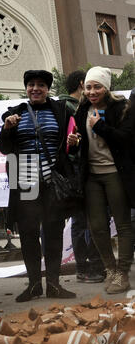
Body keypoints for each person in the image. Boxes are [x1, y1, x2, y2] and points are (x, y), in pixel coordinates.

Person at [0, 69, 76, 302]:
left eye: (41, 85)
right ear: (26, 88)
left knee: (53, 233)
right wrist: (7, 128)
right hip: (26, 181)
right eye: (31, 84)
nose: (35, 89)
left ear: (48, 89)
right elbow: (4, 148)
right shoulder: (14, 114)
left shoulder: (61, 110)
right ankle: (34, 285)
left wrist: (75, 142)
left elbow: (72, 144)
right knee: (29, 234)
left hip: (53, 182)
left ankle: (53, 284)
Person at [68, 66, 135, 294]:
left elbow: (125, 138)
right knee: (96, 226)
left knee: (123, 223)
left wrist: (101, 127)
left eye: (97, 86)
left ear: (106, 88)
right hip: (92, 176)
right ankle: (111, 269)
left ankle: (123, 272)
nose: (92, 91)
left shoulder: (121, 108)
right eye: (88, 87)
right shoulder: (82, 108)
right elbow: (83, 144)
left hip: (116, 173)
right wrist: (75, 141)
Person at [59, 71, 105, 283]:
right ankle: (93, 266)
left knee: (79, 221)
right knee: (89, 220)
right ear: (81, 84)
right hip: (81, 171)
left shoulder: (60, 106)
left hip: (71, 174)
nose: (91, 91)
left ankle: (82, 267)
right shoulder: (75, 109)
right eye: (88, 86)